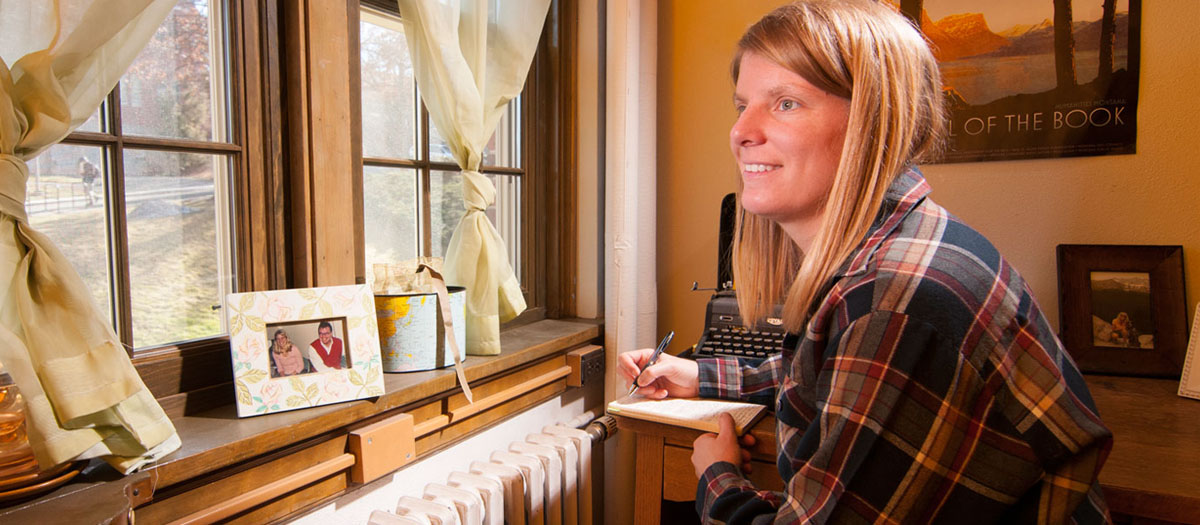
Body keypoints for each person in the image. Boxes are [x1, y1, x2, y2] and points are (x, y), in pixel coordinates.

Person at [618, 1, 1112, 522]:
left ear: (874, 122)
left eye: (786, 103)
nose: (742, 131)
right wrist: (702, 376)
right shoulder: (898, 248)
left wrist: (718, 476)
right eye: (742, 104)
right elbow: (830, 373)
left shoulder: (896, 304)